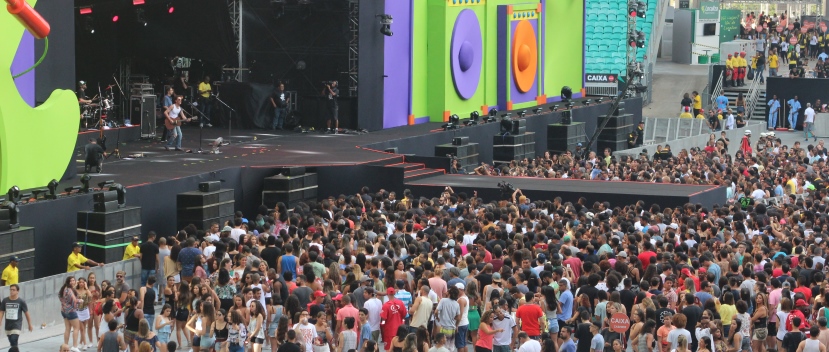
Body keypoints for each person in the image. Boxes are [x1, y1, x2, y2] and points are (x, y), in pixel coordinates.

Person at [0, 284, 31, 349]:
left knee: (14, 340)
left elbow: (26, 313)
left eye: (13, 290)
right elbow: (1, 312)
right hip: (8, 326)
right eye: (10, 290)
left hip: (17, 325)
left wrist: (29, 324)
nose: (11, 291)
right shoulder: (5, 300)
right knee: (12, 343)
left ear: (17, 291)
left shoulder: (21, 301)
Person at [380, 287, 408, 351]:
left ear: (387, 294)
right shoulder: (400, 303)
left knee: (389, 348)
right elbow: (404, 314)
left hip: (390, 330)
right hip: (400, 329)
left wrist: (382, 327)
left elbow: (383, 318)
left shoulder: (386, 305)